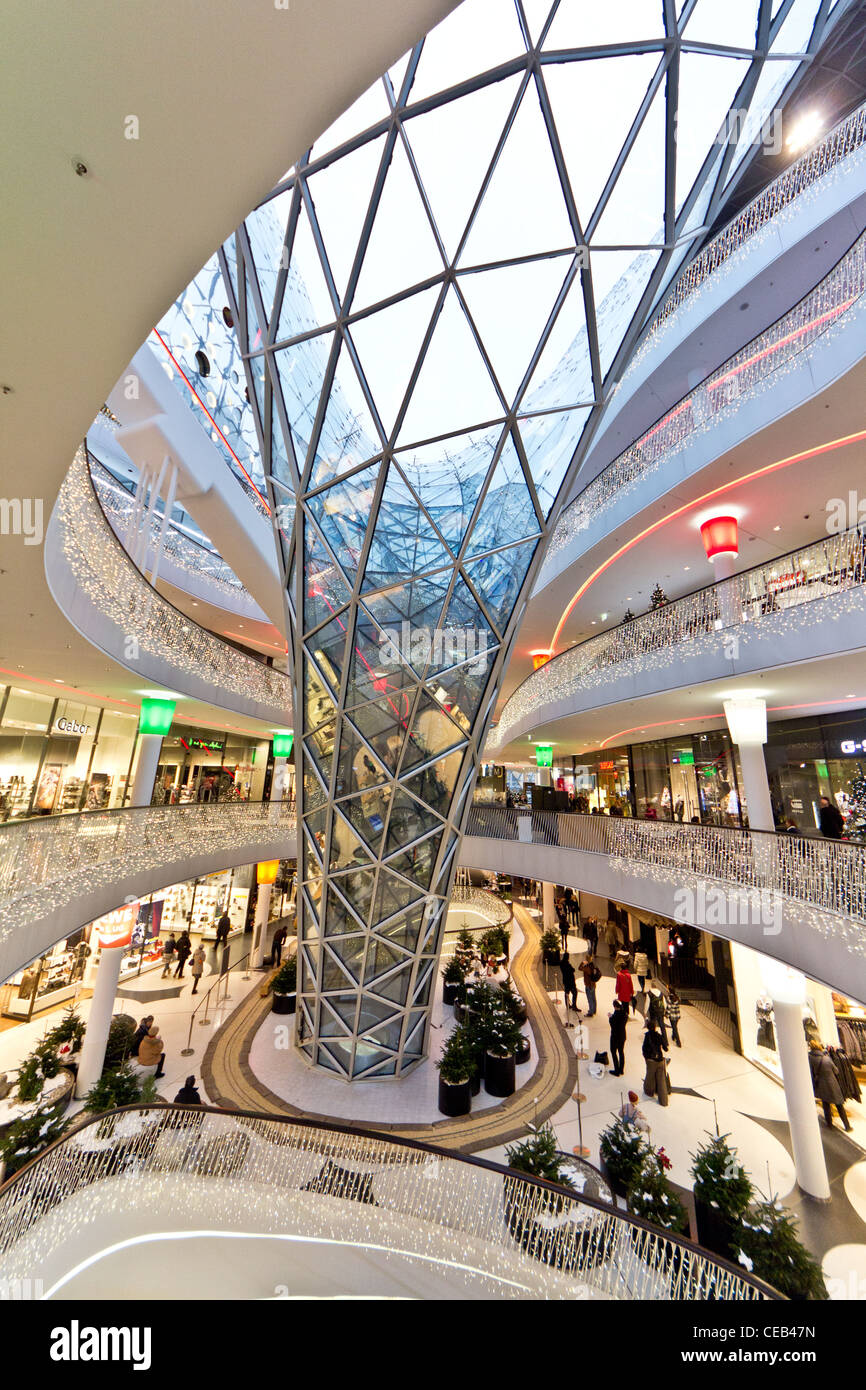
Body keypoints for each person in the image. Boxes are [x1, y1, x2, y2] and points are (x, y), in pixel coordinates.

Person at [809, 1041, 852, 1130]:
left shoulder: (810, 1058)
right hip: (832, 1083)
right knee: (839, 1104)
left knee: (826, 1105)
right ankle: (847, 1126)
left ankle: (829, 1125)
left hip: (821, 1084)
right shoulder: (826, 1059)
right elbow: (836, 1071)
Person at [642, 1022, 669, 1106]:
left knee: (650, 1077)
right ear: (655, 1027)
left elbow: (644, 1048)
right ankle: (664, 1101)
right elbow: (665, 1048)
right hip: (660, 1060)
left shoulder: (647, 1036)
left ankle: (649, 1092)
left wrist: (646, 1057)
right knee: (661, 1081)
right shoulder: (659, 1036)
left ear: (648, 1028)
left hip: (651, 1061)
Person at [646, 984, 670, 1050]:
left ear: (651, 986)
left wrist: (645, 1011)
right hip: (660, 1012)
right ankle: (666, 1042)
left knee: (652, 1027)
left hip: (653, 1012)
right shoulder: (661, 993)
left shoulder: (649, 993)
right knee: (662, 1026)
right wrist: (664, 1011)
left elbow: (647, 1003)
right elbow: (664, 1003)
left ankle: (652, 1041)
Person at [609, 998, 627, 1077]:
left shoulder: (615, 1015)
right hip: (622, 1035)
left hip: (615, 1036)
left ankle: (616, 1070)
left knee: (613, 1051)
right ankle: (621, 1069)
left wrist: (610, 1018)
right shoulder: (624, 1014)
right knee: (621, 1052)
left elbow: (613, 1025)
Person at [579, 953, 601, 1017]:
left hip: (588, 985)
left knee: (590, 999)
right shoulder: (593, 966)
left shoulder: (586, 967)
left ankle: (590, 1012)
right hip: (593, 984)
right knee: (593, 998)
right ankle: (594, 1010)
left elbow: (579, 968)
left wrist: (582, 963)